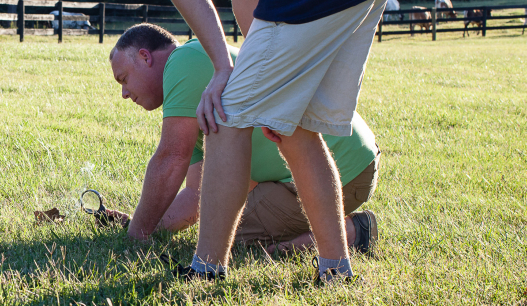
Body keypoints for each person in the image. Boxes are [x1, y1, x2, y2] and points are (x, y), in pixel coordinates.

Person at [65, 0, 393, 282]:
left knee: (225, 114)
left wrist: (225, 70)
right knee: (295, 127)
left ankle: (207, 268)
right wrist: (250, 58)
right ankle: (336, 267)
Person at [101, 23, 378, 257]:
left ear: (145, 57)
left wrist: (136, 236)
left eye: (123, 79)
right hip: (351, 162)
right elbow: (198, 197)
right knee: (218, 219)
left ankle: (354, 232)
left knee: (228, 234)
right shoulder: (196, 68)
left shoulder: (183, 61)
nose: (124, 93)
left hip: (341, 171)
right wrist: (147, 223)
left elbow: (171, 158)